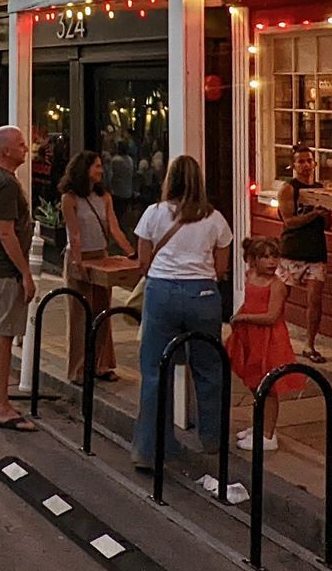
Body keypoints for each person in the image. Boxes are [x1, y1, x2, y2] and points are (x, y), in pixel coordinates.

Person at [131, 155, 235, 468]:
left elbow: (143, 262)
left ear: (169, 180)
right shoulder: (214, 218)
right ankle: (212, 439)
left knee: (155, 370)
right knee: (208, 368)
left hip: (162, 291)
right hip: (202, 294)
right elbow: (222, 267)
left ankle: (149, 451)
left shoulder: (153, 213)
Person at [0, 125, 38, 432]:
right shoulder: (5, 183)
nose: (26, 147)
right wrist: (25, 272)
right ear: (6, 151)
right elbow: (5, 231)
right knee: (3, 334)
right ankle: (1, 404)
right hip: (6, 270)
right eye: (21, 144)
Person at [60, 151, 133, 384]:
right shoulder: (69, 198)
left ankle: (102, 364)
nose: (101, 171)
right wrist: (79, 261)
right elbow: (74, 233)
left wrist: (130, 251)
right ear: (85, 169)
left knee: (103, 312)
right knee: (80, 315)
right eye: (97, 166)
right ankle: (79, 369)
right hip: (79, 257)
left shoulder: (105, 197)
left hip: (101, 255)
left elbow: (114, 228)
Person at [229, 237, 306, 451]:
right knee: (255, 384)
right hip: (251, 336)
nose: (271, 261)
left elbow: (272, 316)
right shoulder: (250, 276)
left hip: (269, 339)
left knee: (269, 388)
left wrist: (244, 318)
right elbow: (249, 302)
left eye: (274, 256)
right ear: (253, 260)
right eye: (265, 257)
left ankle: (268, 435)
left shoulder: (277, 286)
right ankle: (260, 425)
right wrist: (239, 314)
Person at [277, 145, 330, 364]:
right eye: (301, 162)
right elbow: (289, 222)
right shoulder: (289, 189)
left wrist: (325, 214)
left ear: (314, 164)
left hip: (316, 251)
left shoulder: (320, 188)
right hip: (292, 250)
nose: (306, 165)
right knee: (280, 298)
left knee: (315, 301)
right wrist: (314, 214)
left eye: (309, 161)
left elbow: (327, 224)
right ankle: (276, 340)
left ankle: (310, 345)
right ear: (294, 165)